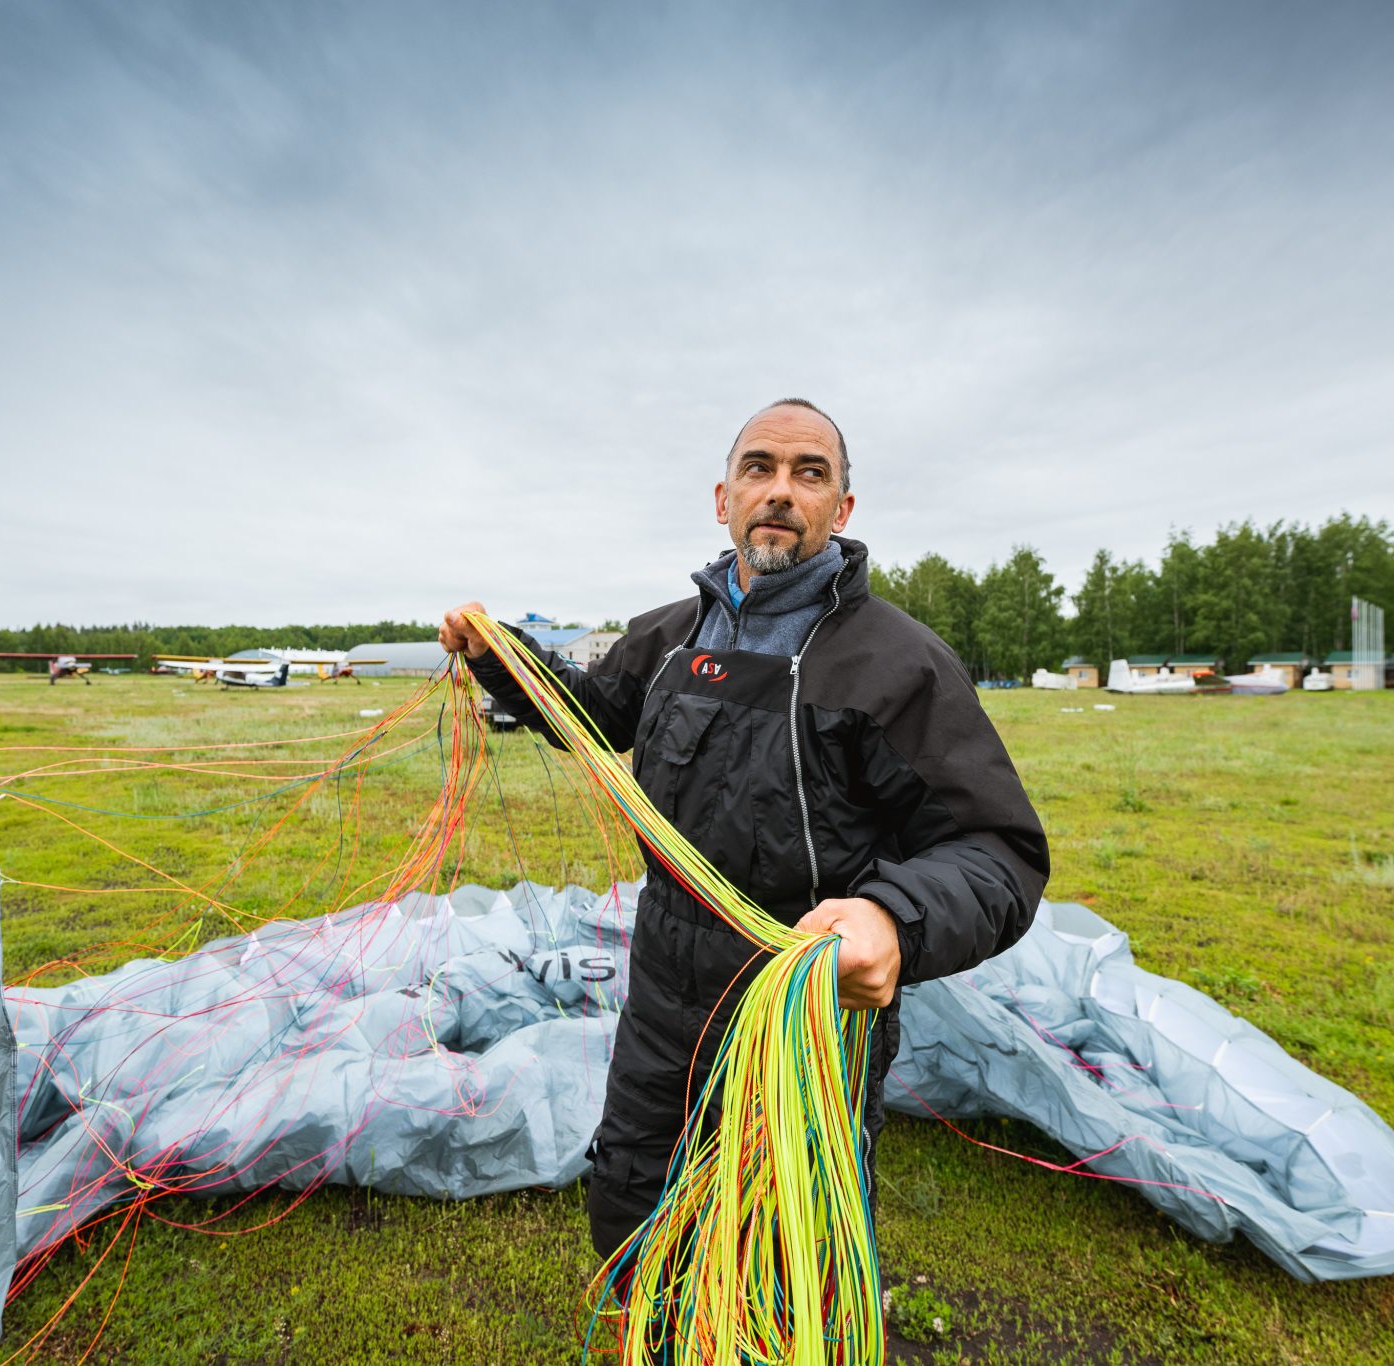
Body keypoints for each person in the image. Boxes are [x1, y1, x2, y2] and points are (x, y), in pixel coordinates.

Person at [439, 398, 1048, 1261]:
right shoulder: (668, 637)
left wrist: (891, 919)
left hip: (804, 1014)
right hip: (662, 992)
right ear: (722, 496)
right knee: (635, 1196)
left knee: (782, 1248)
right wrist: (499, 656)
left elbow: (999, 852)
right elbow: (590, 712)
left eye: (810, 474)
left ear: (841, 510)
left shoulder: (897, 663)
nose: (780, 492)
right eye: (759, 469)